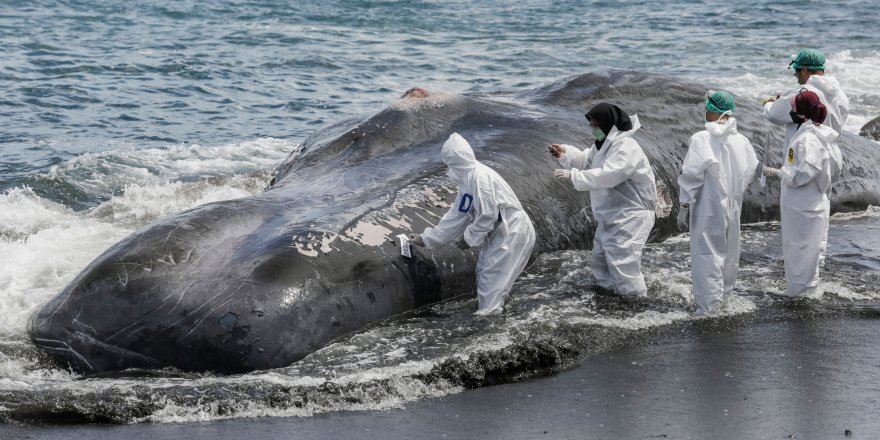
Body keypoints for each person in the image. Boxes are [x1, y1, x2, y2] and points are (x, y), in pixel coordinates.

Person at [408, 132, 536, 315]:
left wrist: (468, 239)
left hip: (512, 231)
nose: (447, 170)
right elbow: (456, 216)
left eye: (448, 165)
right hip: (503, 233)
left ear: (456, 163)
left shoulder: (480, 179)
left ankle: (489, 324)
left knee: (490, 279)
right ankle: (493, 314)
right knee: (489, 276)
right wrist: (426, 238)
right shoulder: (468, 183)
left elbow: (487, 215)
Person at [550, 103, 656, 299]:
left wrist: (574, 176)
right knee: (601, 260)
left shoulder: (626, 147)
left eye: (596, 124)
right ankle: (610, 299)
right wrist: (566, 154)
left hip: (631, 215)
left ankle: (635, 304)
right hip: (611, 215)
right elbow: (588, 161)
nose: (593, 128)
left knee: (623, 261)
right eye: (591, 124)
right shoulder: (602, 145)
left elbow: (609, 175)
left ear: (609, 124)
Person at [677, 91, 759, 314]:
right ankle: (725, 298)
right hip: (733, 203)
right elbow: (750, 169)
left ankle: (708, 307)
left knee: (706, 253)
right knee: (730, 251)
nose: (705, 112)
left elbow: (691, 174)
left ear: (713, 111)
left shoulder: (701, 139)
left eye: (706, 108)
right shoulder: (742, 141)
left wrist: (684, 204)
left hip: (708, 204)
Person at [763, 90, 842, 297]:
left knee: (799, 252)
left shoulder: (808, 139)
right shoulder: (825, 136)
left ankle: (800, 299)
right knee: (807, 254)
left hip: (802, 206)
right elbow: (834, 170)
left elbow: (807, 171)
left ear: (800, 113)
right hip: (813, 201)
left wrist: (782, 173)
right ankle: (806, 293)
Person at [763, 48, 849, 153]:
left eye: (796, 72)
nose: (797, 77)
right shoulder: (841, 94)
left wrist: (770, 103)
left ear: (804, 70)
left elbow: (773, 114)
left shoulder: (804, 94)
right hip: (830, 154)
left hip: (803, 155)